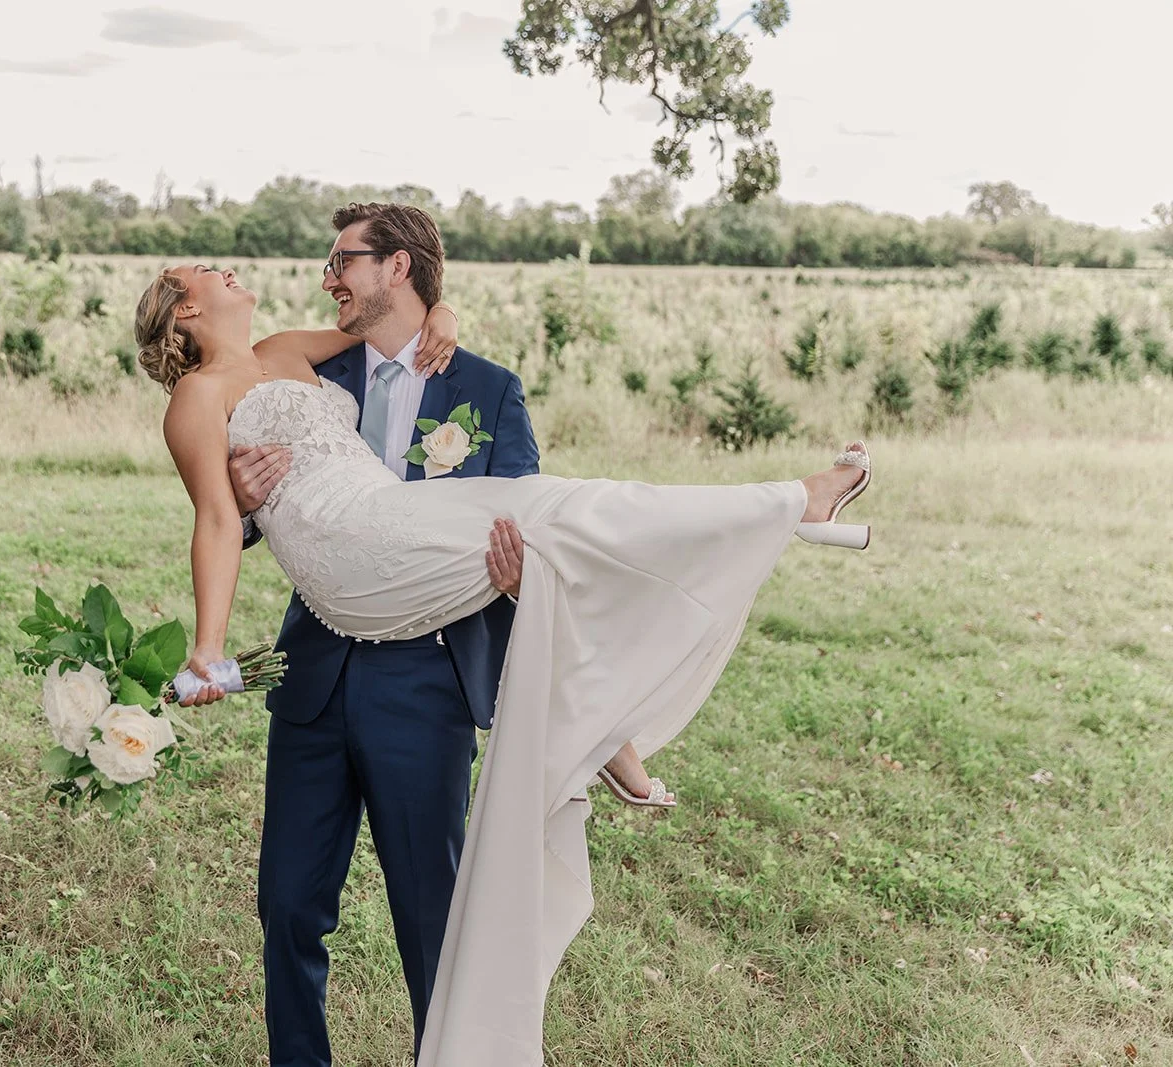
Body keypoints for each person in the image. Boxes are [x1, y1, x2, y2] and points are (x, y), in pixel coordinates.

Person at [134, 212, 871, 1067]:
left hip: (423, 660)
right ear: (183, 312)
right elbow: (220, 522)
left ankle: (635, 695)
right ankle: (780, 519)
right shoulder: (206, 395)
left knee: (432, 908)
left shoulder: (375, 367)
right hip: (332, 627)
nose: (327, 274)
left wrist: (440, 318)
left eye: (343, 260)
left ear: (398, 267)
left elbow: (385, 326)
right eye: (206, 272)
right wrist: (209, 645)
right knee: (290, 906)